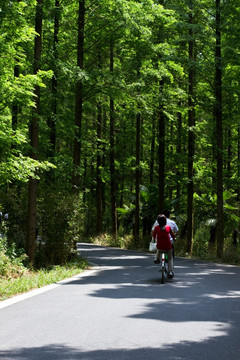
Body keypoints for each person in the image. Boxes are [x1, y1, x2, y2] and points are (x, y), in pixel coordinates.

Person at [152, 214, 175, 278]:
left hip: (160, 246)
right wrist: (174, 238)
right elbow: (172, 235)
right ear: (165, 221)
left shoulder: (156, 228)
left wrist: (153, 240)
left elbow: (153, 236)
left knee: (158, 249)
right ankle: (170, 271)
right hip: (168, 246)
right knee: (170, 258)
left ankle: (156, 258)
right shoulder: (168, 227)